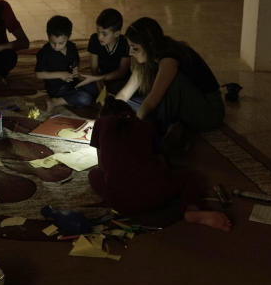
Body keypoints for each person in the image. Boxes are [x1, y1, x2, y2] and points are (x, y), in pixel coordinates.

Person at [89, 98, 231, 231]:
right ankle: (191, 209)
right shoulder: (144, 125)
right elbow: (160, 158)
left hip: (120, 202)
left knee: (93, 174)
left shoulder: (101, 124)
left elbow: (101, 165)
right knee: (191, 176)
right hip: (156, 194)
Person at [116, 17, 224, 135]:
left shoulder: (169, 59)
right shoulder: (148, 56)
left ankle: (160, 132)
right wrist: (108, 116)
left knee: (150, 107)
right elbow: (125, 93)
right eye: (130, 47)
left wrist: (130, 127)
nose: (130, 52)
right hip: (181, 104)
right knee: (129, 103)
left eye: (135, 48)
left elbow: (152, 100)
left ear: (150, 45)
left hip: (209, 111)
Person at [35, 15, 96, 110]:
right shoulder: (44, 52)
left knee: (94, 87)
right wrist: (60, 74)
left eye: (61, 43)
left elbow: (75, 62)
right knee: (85, 98)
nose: (56, 46)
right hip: (57, 89)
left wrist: (75, 70)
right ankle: (56, 102)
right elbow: (39, 74)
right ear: (48, 36)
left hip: (73, 84)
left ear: (68, 37)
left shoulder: (72, 47)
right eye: (53, 42)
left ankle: (71, 99)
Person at [77, 8, 130, 95]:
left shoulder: (125, 43)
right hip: (99, 77)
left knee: (121, 89)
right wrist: (100, 87)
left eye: (104, 34)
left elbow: (122, 72)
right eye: (98, 32)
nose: (100, 37)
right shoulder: (94, 39)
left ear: (117, 33)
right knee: (80, 83)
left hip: (118, 79)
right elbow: (94, 69)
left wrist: (100, 79)